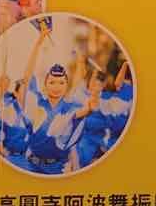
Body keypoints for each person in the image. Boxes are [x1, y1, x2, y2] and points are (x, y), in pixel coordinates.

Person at [15, 24, 96, 174]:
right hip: (30, 166)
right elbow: (27, 76)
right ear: (45, 85)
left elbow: (83, 111)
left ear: (66, 86)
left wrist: (90, 108)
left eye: (61, 83)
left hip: (56, 169)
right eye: (52, 82)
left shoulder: (69, 108)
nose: (56, 87)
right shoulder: (37, 103)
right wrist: (39, 42)